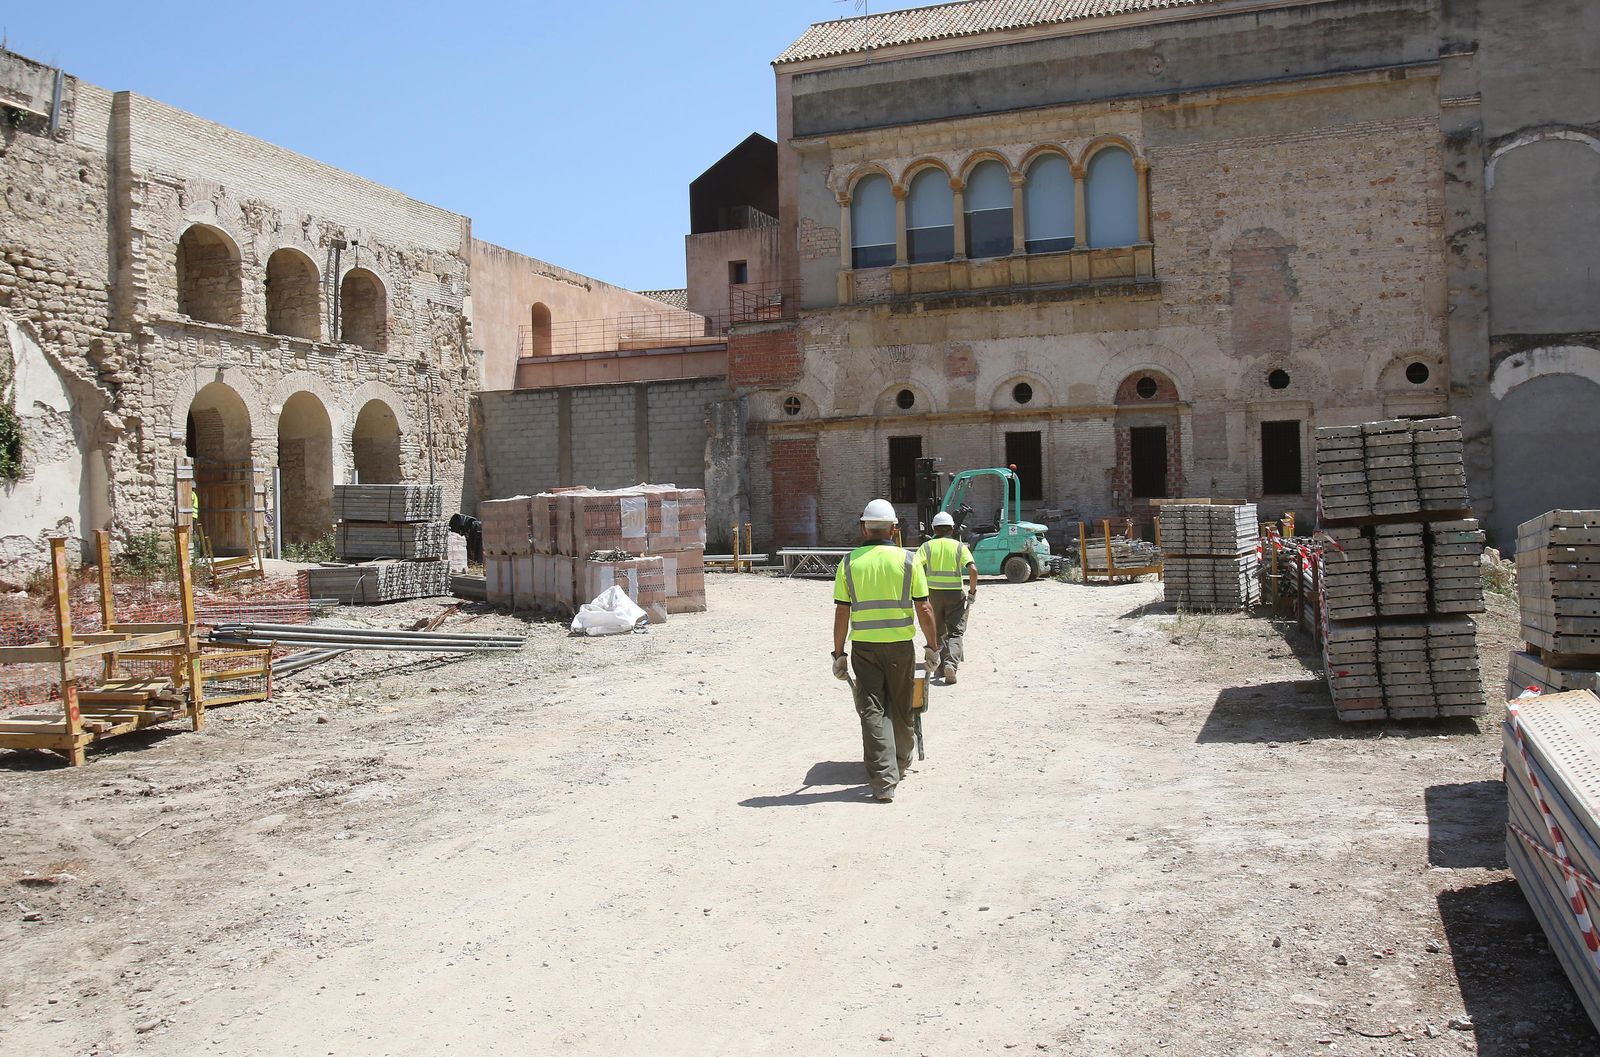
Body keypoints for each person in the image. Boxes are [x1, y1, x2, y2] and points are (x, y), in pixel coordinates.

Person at [832, 499, 939, 803]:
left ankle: (884, 781)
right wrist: (932, 647)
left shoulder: (850, 562)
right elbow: (924, 607)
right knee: (902, 705)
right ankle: (901, 761)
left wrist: (838, 653)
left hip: (864, 648)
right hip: (900, 647)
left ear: (864, 527)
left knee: (872, 709)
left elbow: (842, 612)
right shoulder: (908, 560)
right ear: (894, 528)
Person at [916, 510, 978, 684]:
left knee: (937, 630)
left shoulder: (926, 547)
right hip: (954, 594)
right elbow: (973, 570)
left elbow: (915, 568)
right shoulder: (959, 547)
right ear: (952, 529)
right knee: (956, 632)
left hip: (932, 594)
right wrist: (972, 592)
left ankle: (941, 664)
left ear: (934, 529)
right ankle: (951, 664)